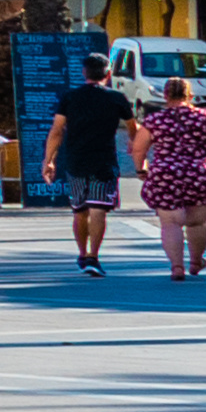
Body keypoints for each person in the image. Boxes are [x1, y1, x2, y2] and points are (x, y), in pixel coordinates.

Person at [52, 60, 142, 274]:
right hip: (104, 162)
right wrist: (137, 150)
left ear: (84, 72)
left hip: (75, 161)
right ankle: (93, 255)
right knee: (99, 208)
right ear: (108, 73)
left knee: (80, 211)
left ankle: (82, 254)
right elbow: (133, 128)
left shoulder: (70, 97)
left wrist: (49, 159)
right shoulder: (116, 98)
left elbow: (57, 129)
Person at [141, 81, 206, 284]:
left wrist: (140, 168)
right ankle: (196, 261)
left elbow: (138, 147)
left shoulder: (155, 119)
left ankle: (177, 266)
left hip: (165, 173)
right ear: (189, 94)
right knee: (197, 222)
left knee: (170, 224)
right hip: (197, 172)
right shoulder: (203, 118)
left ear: (165, 95)